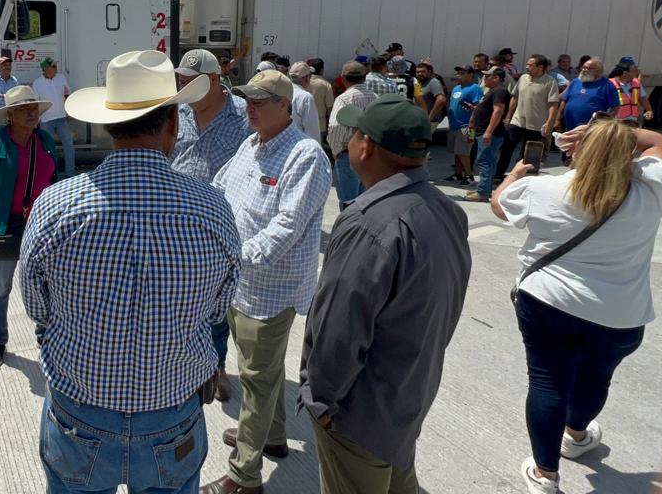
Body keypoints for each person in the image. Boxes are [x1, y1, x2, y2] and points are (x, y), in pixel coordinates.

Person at [21, 49, 239, 494]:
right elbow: (220, 306)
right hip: (172, 413)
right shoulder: (212, 209)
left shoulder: (57, 205)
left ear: (107, 124)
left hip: (80, 411)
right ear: (174, 123)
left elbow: (36, 304)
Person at [490, 116, 662, 494]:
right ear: (627, 152)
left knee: (548, 381)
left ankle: (546, 474)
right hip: (620, 314)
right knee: (597, 377)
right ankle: (576, 435)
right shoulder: (652, 187)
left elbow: (499, 206)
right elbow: (659, 143)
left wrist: (515, 174)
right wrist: (616, 133)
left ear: (578, 148)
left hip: (549, 302)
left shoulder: (544, 188)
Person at [302, 94, 471, 494]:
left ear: (366, 147)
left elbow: (339, 330)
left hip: (358, 414)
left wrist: (322, 404)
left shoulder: (367, 222)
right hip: (407, 395)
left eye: (355, 132)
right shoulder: (447, 209)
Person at [201, 69, 330, 494]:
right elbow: (219, 189)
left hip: (270, 288)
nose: (250, 109)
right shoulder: (251, 144)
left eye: (260, 102)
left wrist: (233, 258)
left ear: (285, 106)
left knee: (255, 380)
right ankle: (271, 437)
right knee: (262, 370)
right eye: (248, 101)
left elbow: (286, 226)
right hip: (239, 283)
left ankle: (244, 476)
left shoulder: (305, 155)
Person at [172, 47, 252, 402]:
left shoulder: (243, 118)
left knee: (217, 306)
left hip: (221, 225)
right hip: (177, 223)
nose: (183, 87)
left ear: (215, 80)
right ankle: (182, 362)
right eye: (181, 80)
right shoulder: (178, 114)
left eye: (190, 82)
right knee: (180, 301)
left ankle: (216, 368)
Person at [0, 85, 59, 371]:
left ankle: (45, 336)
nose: (32, 112)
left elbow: (55, 178)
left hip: (41, 224)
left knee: (47, 284)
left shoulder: (44, 140)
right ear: (9, 116)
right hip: (6, 225)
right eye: (23, 108)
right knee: (1, 287)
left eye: (34, 107)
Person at [497, 55, 561, 177]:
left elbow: (553, 104)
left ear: (540, 67)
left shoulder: (550, 82)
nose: (527, 67)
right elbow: (515, 97)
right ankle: (498, 174)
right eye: (527, 64)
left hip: (536, 125)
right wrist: (508, 116)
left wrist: (549, 123)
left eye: (531, 65)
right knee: (506, 148)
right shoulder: (523, 78)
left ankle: (524, 177)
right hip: (517, 121)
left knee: (529, 154)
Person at [328, 62, 379, 206]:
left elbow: (335, 126)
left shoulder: (344, 98)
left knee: (348, 203)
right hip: (370, 154)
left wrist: (336, 150)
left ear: (343, 78)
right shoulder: (374, 97)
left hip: (348, 154)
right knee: (365, 202)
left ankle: (349, 229)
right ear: (364, 77)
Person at [464, 67, 511, 203]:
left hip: (490, 133)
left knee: (484, 161)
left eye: (488, 76)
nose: (484, 78)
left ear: (496, 78)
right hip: (483, 131)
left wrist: (488, 132)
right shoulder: (493, 91)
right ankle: (484, 189)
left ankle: (483, 192)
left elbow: (498, 111)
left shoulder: (499, 91)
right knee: (488, 161)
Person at [31, 57, 75, 178]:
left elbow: (67, 93)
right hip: (46, 120)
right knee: (48, 148)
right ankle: (51, 175)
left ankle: (70, 174)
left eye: (56, 66)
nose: (56, 68)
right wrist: (36, 119)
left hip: (62, 118)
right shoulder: (37, 83)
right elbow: (36, 103)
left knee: (69, 145)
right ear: (46, 69)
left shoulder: (61, 77)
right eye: (54, 66)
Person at [445, 66, 483, 186]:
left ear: (470, 75)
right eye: (458, 73)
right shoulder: (456, 88)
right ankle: (458, 174)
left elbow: (478, 109)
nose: (458, 75)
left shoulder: (475, 89)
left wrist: (472, 133)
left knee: (464, 152)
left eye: (462, 73)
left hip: (466, 126)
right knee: (457, 152)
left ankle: (469, 176)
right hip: (454, 126)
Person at [559, 58, 617, 134]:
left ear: (598, 70)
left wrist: (605, 123)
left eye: (589, 68)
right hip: (569, 127)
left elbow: (615, 106)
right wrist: (557, 119)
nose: (584, 70)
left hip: (592, 130)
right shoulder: (575, 82)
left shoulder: (607, 85)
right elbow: (564, 100)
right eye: (583, 67)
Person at [608, 57, 653, 122]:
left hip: (632, 121)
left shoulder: (636, 83)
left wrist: (649, 110)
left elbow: (643, 99)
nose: (638, 71)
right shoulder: (610, 84)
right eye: (634, 68)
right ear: (625, 73)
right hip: (616, 122)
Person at [287, 61, 322, 142]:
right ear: (306, 78)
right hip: (299, 144)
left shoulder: (283, 92)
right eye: (310, 76)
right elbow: (312, 129)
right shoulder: (305, 97)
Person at [306, 58, 335, 137]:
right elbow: (330, 108)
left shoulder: (302, 82)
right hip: (320, 125)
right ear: (321, 70)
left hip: (302, 123)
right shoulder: (326, 85)